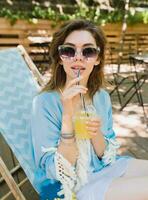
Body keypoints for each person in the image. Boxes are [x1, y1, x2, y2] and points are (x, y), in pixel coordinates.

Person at [31, 19, 148, 200]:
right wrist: (67, 117)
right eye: (69, 50)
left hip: (103, 168)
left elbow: (107, 156)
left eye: (88, 51)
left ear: (97, 59)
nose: (78, 57)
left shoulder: (101, 97)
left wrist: (96, 134)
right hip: (67, 187)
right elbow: (56, 171)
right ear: (60, 58)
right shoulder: (44, 103)